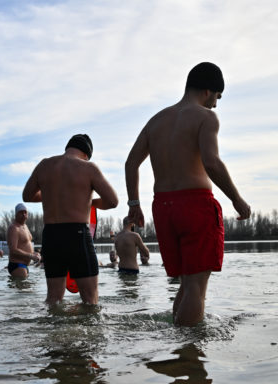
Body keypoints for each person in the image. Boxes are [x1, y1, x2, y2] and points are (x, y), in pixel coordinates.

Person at [125, 62, 251, 326]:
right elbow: (212, 162)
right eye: (217, 97)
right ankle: (189, 356)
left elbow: (130, 163)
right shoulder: (205, 117)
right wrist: (236, 199)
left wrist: (134, 204)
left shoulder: (156, 121)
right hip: (195, 205)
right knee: (196, 287)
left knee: (187, 282)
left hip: (163, 208)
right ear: (208, 91)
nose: (216, 105)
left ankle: (179, 348)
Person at [23, 134, 118, 305]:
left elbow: (27, 195)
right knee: (90, 300)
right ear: (86, 154)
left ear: (68, 147)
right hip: (77, 234)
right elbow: (112, 201)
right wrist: (86, 202)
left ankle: (53, 332)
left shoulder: (44, 165)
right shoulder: (88, 168)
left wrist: (55, 196)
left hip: (51, 236)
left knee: (53, 299)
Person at [7, 203, 41, 279]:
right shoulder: (13, 228)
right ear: (16, 214)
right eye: (21, 212)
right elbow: (13, 250)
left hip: (24, 265)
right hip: (17, 265)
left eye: (25, 212)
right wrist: (31, 256)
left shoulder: (25, 226)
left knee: (26, 290)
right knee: (23, 290)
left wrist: (35, 254)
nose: (24, 214)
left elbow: (24, 245)